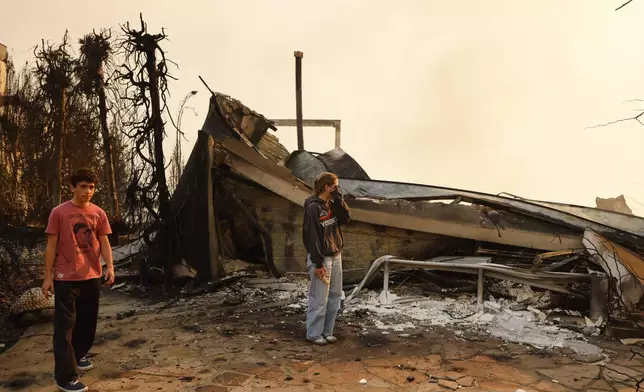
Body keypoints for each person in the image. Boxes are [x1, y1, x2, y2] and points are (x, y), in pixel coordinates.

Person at [42, 168, 115, 392]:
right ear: (73, 188)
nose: (87, 191)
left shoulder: (98, 213)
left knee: (87, 323)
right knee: (64, 327)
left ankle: (78, 354)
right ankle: (65, 377)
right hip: (66, 277)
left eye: (91, 187)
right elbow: (51, 246)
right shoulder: (59, 212)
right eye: (83, 186)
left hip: (91, 275)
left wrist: (109, 266)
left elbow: (104, 242)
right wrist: (47, 277)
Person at [302, 172, 351, 345]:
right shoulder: (313, 207)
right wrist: (318, 263)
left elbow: (346, 218)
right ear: (326, 187)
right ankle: (314, 333)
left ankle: (327, 331)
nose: (337, 189)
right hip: (322, 258)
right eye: (335, 186)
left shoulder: (332, 203)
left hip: (336, 254)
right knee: (319, 297)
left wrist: (339, 200)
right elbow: (311, 236)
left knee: (335, 296)